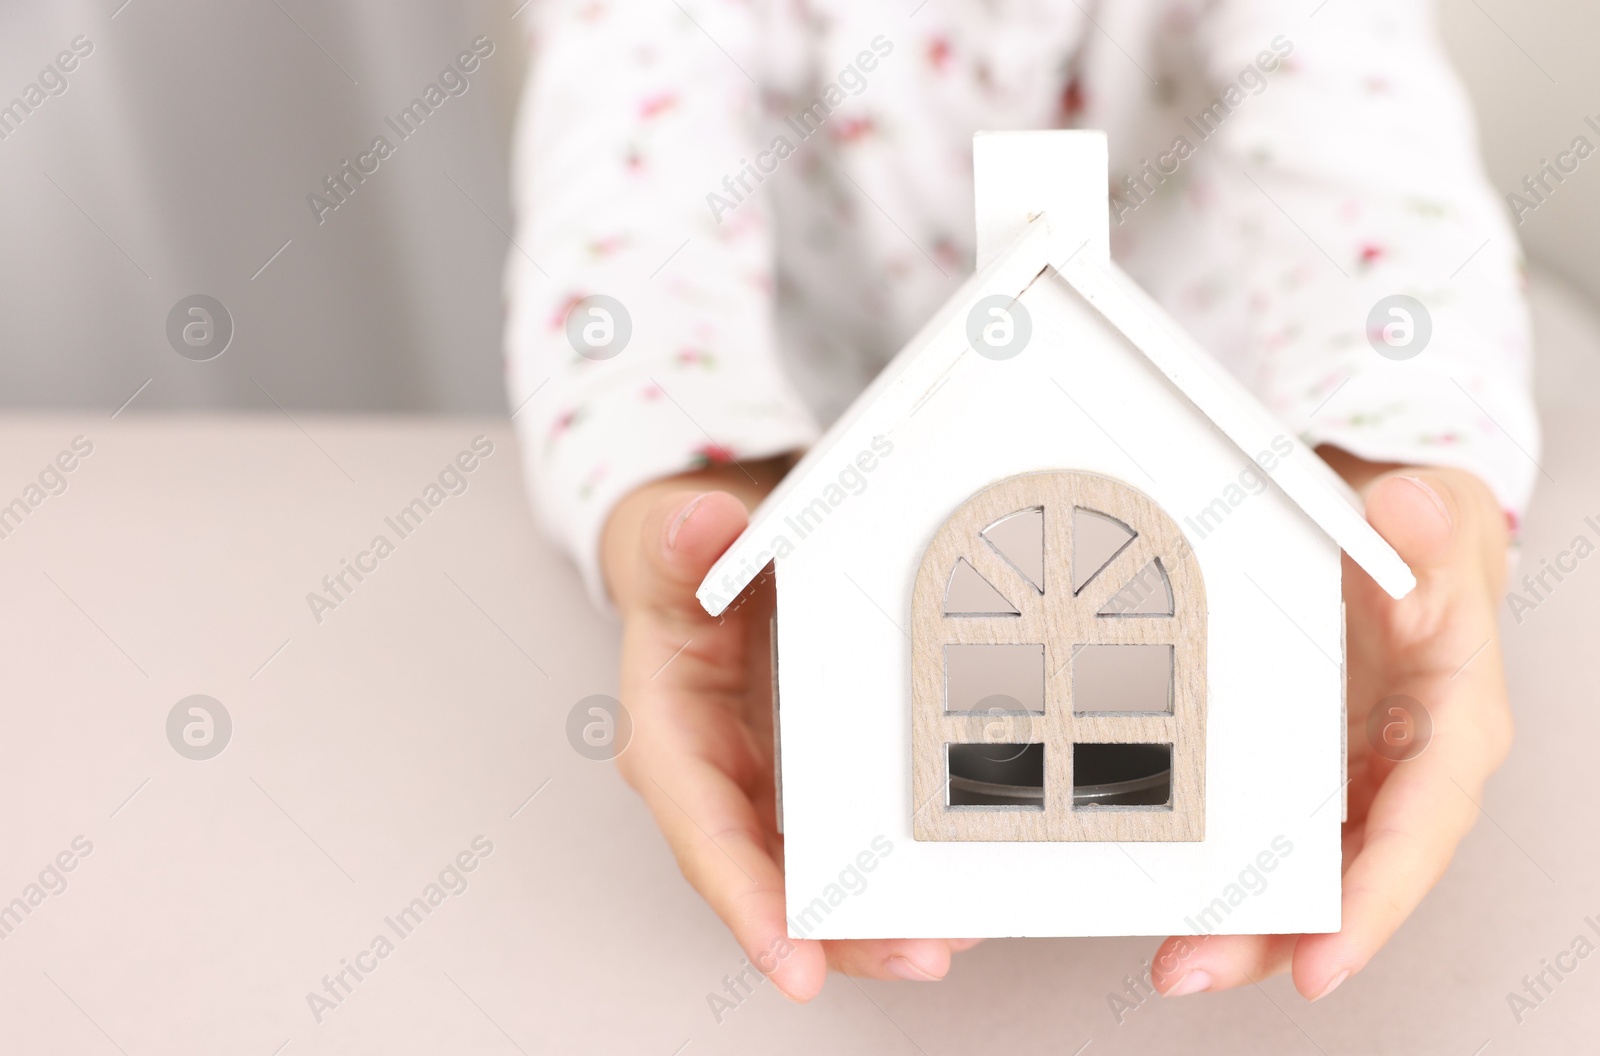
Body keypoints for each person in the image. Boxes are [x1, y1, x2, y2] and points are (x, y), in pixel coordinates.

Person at [504, 0, 1535, 1003]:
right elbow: (626, 184)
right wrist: (688, 469)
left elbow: (1362, 145)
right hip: (816, 438)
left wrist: (1398, 448)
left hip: (1220, 437)